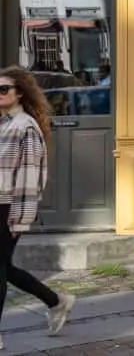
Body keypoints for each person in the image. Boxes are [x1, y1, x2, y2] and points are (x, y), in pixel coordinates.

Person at [0, 67, 75, 346]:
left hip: (8, 208)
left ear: (19, 93)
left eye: (4, 89)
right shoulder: (3, 123)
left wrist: (20, 220)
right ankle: (56, 301)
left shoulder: (25, 127)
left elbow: (30, 178)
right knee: (5, 268)